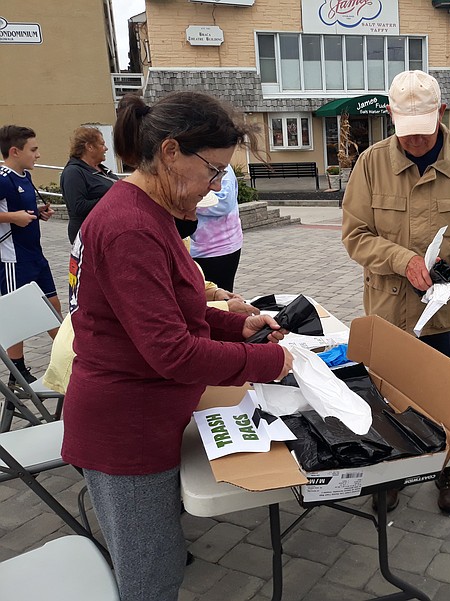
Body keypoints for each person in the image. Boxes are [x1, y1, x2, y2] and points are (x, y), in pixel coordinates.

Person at [61, 91, 293, 601]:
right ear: (170, 152)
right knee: (152, 579)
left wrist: (238, 327)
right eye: (213, 172)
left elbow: (172, 312)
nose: (214, 188)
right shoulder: (130, 227)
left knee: (158, 561)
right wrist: (268, 361)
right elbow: (173, 352)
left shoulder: (147, 212)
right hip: (125, 429)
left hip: (142, 416)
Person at [341, 70, 450, 514]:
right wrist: (403, 260)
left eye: (423, 131)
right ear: (390, 115)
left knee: (444, 388)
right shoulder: (371, 163)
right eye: (405, 131)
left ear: (442, 113)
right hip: (389, 307)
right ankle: (393, 469)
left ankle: (448, 464)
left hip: (444, 311)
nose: (414, 141)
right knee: (389, 392)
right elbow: (355, 234)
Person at [0, 125, 59, 391]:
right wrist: (14, 218)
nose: (38, 154)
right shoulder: (2, 177)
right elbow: (10, 215)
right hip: (13, 259)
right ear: (15, 151)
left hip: (36, 255)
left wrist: (36, 212)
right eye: (33, 150)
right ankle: (17, 371)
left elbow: (17, 208)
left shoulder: (23, 176)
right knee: (16, 315)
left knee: (53, 307)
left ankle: (68, 355)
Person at [60, 126, 119, 244]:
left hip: (108, 233)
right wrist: (113, 198)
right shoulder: (73, 172)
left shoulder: (102, 169)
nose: (106, 148)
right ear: (89, 147)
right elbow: (78, 207)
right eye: (102, 144)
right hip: (89, 235)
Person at [190, 164, 244, 291]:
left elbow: (224, 203)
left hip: (219, 247)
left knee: (220, 295)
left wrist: (187, 202)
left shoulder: (222, 166)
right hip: (193, 248)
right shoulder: (190, 162)